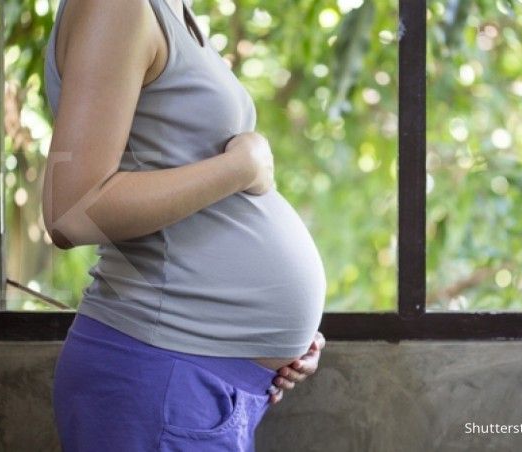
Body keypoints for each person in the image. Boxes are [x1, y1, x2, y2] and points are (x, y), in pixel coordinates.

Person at [42, 0, 327, 450]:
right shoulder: (118, 7)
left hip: (200, 378)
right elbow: (70, 212)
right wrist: (243, 167)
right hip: (161, 375)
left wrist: (275, 338)